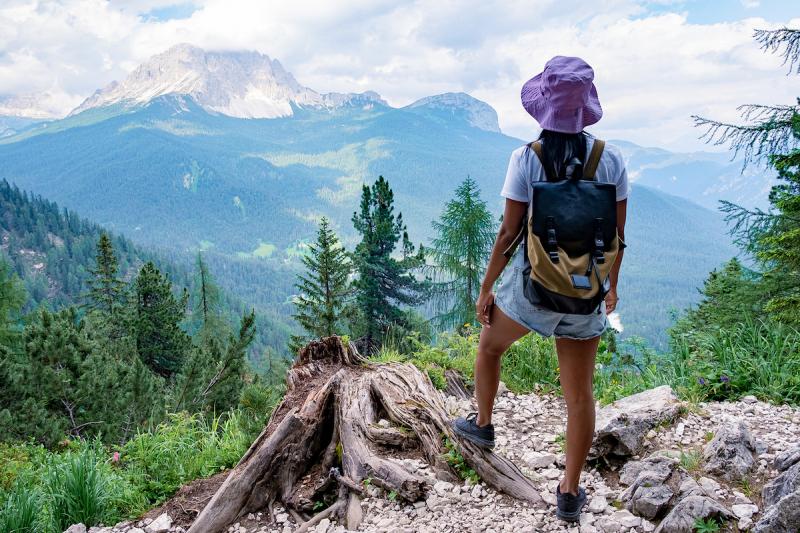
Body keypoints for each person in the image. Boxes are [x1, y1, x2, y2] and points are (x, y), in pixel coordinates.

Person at [452, 56, 628, 523]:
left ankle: (484, 425)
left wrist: (488, 288)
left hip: (533, 292)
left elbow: (509, 234)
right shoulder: (611, 159)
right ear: (586, 108)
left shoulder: (525, 158)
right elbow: (618, 235)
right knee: (579, 396)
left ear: (544, 108)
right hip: (584, 292)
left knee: (489, 348)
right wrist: (610, 290)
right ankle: (569, 493)